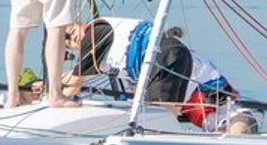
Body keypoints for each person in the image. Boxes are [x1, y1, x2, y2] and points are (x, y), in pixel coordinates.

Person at [62, 15, 194, 103]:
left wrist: (58, 99)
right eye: (69, 43)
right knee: (169, 115)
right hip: (176, 53)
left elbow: (75, 82)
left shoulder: (93, 34)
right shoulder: (100, 53)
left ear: (81, 25)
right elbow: (74, 75)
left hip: (161, 57)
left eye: (73, 31)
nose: (73, 38)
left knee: (159, 115)